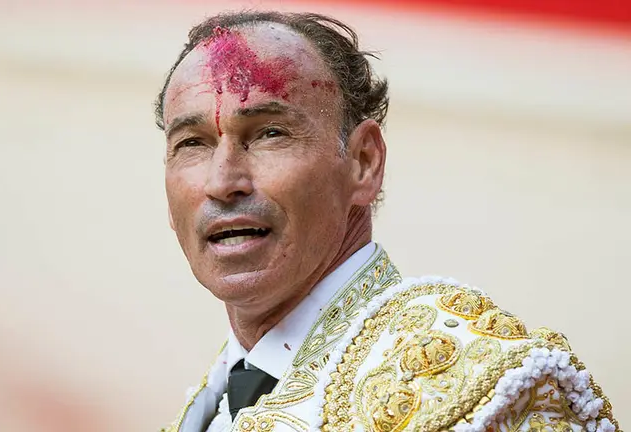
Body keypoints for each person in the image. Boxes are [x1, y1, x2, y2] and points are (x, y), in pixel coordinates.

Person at [155, 11, 619, 432]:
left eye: (270, 134)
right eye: (193, 143)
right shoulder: (210, 406)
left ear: (363, 162)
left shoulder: (488, 388)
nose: (223, 181)